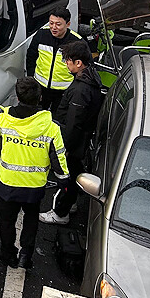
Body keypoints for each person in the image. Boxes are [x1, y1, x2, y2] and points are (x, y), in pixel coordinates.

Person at [0, 77, 70, 269]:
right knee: (31, 221)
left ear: (17, 97)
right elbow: (59, 158)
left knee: (7, 221)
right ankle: (26, 256)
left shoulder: (4, 120)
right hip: (34, 187)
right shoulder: (51, 127)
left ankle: (8, 254)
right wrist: (64, 181)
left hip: (7, 184)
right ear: (40, 98)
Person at [40, 40, 104, 225]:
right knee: (75, 172)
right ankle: (71, 203)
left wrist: (65, 147)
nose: (66, 64)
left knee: (65, 177)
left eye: (68, 60)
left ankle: (60, 212)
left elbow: (74, 121)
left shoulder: (80, 90)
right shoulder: (90, 79)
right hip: (80, 140)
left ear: (79, 63)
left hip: (73, 142)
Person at [25, 7, 81, 113]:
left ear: (68, 24)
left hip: (64, 91)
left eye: (58, 24)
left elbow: (82, 68)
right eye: (51, 23)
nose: (53, 27)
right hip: (40, 87)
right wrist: (32, 80)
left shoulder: (77, 42)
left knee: (58, 119)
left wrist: (73, 90)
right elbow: (31, 58)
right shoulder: (41, 35)